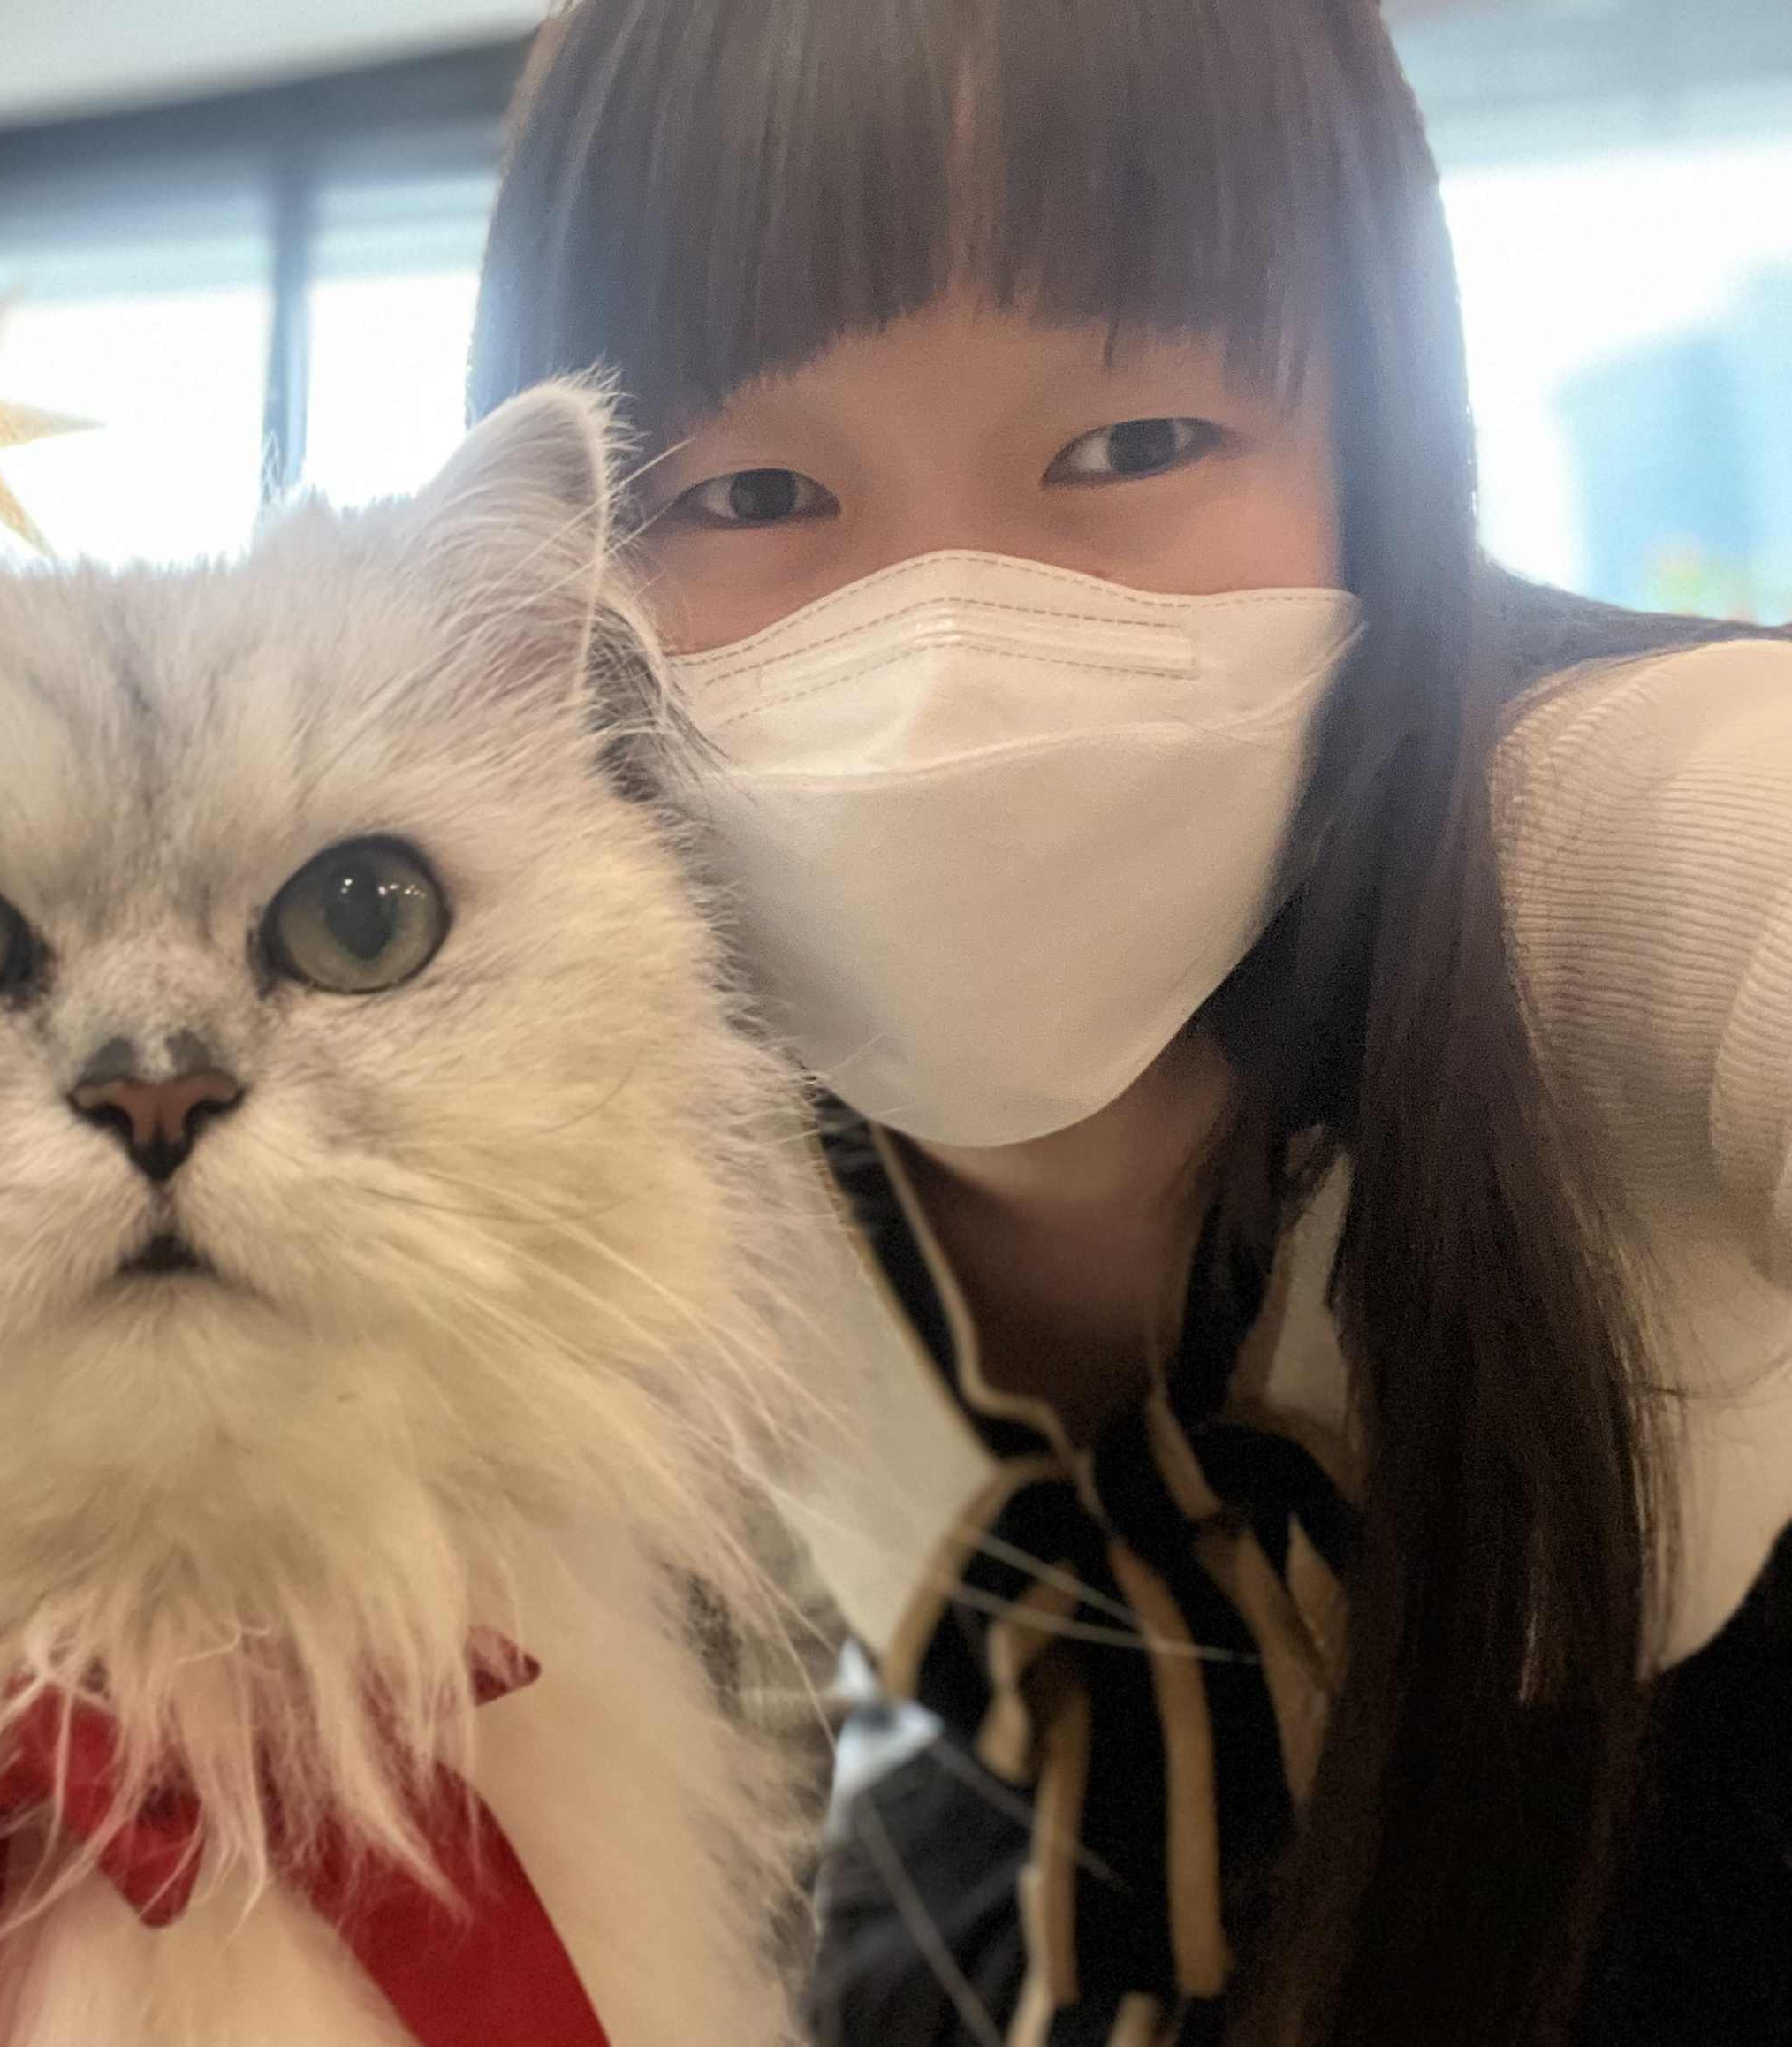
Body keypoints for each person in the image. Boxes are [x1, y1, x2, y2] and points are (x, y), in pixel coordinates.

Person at [472, 4, 1791, 2043]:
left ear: (1373, 444)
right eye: (750, 490)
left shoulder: (1599, 853)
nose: (941, 661)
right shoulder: (597, 1065)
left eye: (1134, 445)